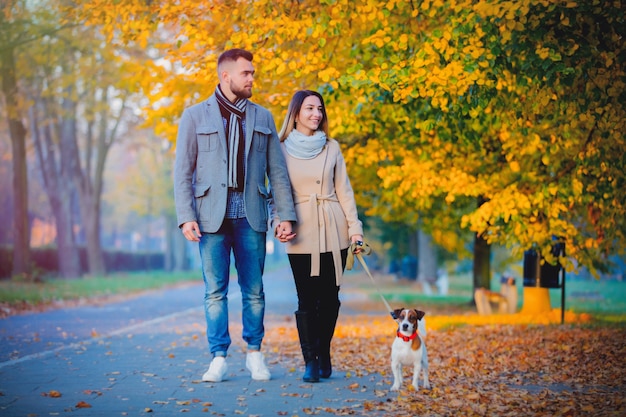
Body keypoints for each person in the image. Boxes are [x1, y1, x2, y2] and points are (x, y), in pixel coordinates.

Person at [174, 49, 297, 382]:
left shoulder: (263, 117)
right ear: (225, 76)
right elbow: (182, 171)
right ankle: (218, 357)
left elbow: (277, 171)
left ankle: (255, 354)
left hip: (252, 215)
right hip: (210, 217)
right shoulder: (194, 116)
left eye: (253, 73)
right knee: (214, 291)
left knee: (254, 290)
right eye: (246, 73)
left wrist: (284, 214)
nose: (252, 79)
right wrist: (186, 215)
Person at [273, 90, 364, 382]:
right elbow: (277, 192)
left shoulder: (332, 148)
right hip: (300, 233)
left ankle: (323, 350)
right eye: (310, 108)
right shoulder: (280, 149)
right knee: (306, 299)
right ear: (296, 112)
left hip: (334, 229)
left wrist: (355, 231)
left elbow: (345, 192)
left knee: (331, 299)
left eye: (320, 109)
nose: (316, 114)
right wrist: (279, 222)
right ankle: (310, 360)